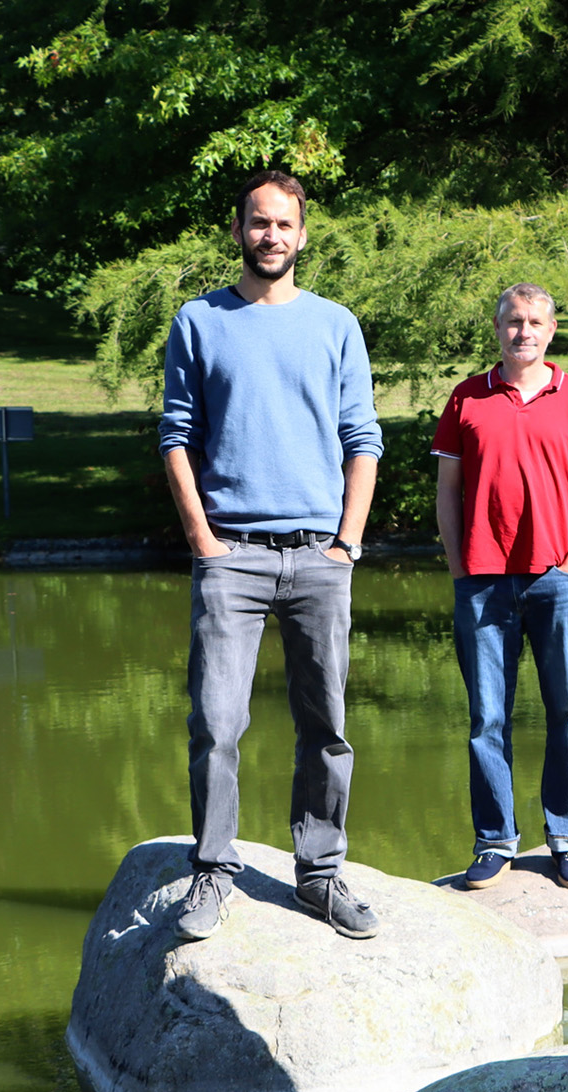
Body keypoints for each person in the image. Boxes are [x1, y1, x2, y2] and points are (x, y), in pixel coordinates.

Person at [159, 169, 384, 943]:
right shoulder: (199, 321)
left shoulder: (335, 325)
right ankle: (214, 871)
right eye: (259, 223)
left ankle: (319, 874)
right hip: (234, 558)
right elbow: (176, 436)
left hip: (319, 558)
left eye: (284, 224)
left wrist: (347, 541)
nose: (271, 236)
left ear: (303, 234)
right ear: (238, 231)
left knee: (326, 723)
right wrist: (202, 539)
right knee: (217, 722)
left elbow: (364, 441)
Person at [433, 283, 568, 890]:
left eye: (534, 322)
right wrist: (458, 566)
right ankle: (495, 838)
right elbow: (447, 494)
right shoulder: (466, 399)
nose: (523, 331)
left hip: (559, 578)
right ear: (498, 328)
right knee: (487, 719)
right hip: (482, 582)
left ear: (551, 330)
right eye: (512, 321)